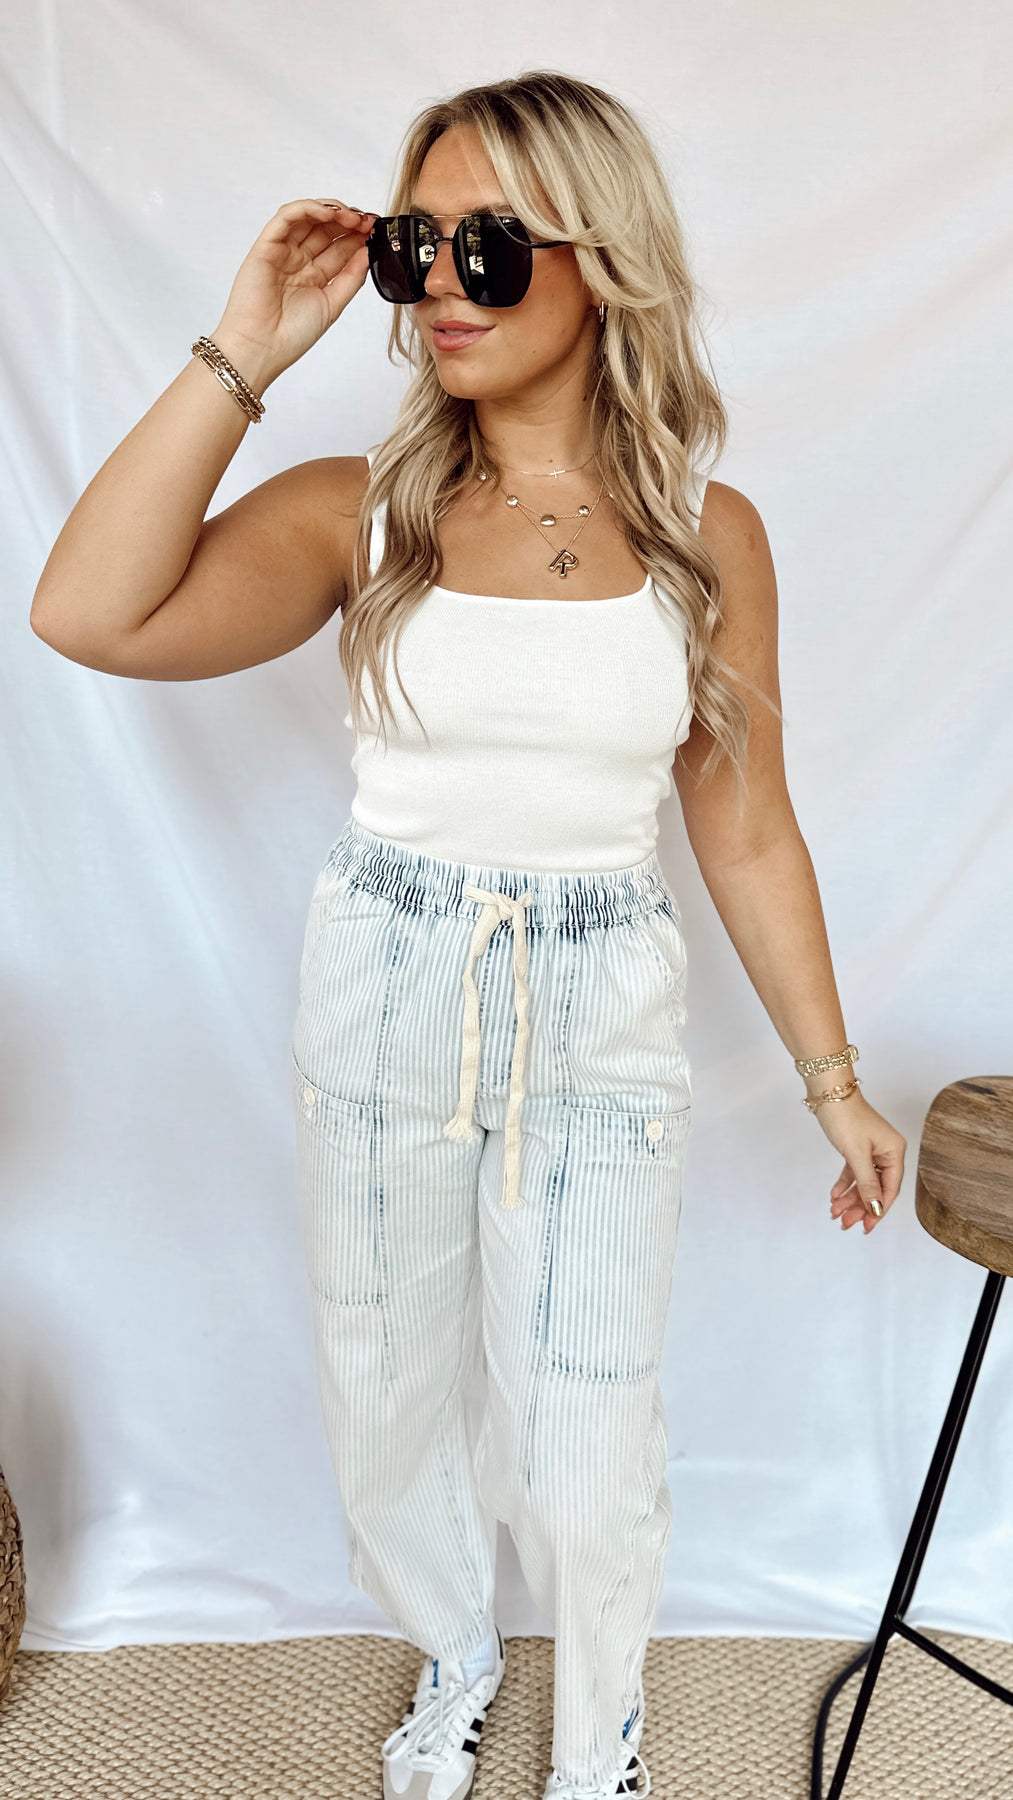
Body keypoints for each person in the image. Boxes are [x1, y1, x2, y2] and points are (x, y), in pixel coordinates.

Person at [31, 67, 906, 1800]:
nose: (438, 280)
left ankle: (600, 1732)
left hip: (601, 1002)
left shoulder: (705, 537)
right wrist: (244, 348)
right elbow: (89, 611)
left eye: (488, 245)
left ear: (602, 262)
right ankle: (451, 1650)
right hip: (387, 979)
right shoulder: (361, 512)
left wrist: (831, 1078)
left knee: (587, 1421)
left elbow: (743, 823)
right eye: (412, 243)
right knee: (386, 1397)